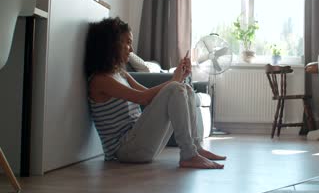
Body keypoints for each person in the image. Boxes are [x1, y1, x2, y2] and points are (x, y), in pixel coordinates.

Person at [84, 17, 226, 169]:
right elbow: (144, 99)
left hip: (138, 143)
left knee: (187, 89)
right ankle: (188, 155)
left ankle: (195, 148)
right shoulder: (100, 80)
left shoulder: (121, 74)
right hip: (124, 151)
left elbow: (149, 95)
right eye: (127, 42)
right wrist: (174, 80)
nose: (131, 50)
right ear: (111, 45)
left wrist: (179, 79)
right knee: (175, 88)